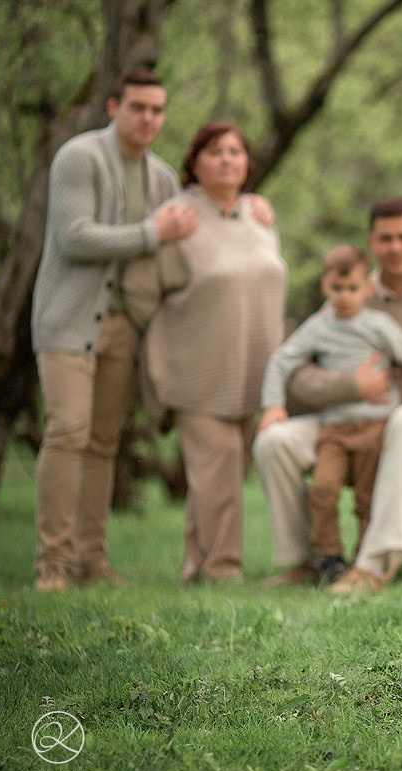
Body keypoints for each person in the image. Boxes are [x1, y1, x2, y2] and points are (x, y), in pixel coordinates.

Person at [30, 69, 197, 591]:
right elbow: (74, 237)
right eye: (138, 108)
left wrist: (254, 211)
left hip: (125, 327)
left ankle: (90, 564)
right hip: (69, 320)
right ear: (112, 107)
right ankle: (51, 564)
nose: (148, 118)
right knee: (68, 432)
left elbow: (193, 225)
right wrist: (152, 233)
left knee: (103, 443)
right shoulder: (79, 158)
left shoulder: (164, 178)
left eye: (157, 110)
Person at [253, 197, 402, 592]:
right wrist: (353, 385)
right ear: (372, 243)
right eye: (385, 239)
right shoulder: (348, 290)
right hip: (347, 420)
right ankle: (306, 561)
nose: (396, 247)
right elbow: (299, 376)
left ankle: (372, 565)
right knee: (274, 442)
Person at [141, 122, 286, 583]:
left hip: (252, 371)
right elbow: (143, 294)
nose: (227, 160)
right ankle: (225, 571)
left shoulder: (259, 218)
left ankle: (195, 567)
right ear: (194, 162)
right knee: (217, 474)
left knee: (215, 478)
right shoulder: (178, 218)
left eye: (236, 152)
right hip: (196, 370)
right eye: (214, 151)